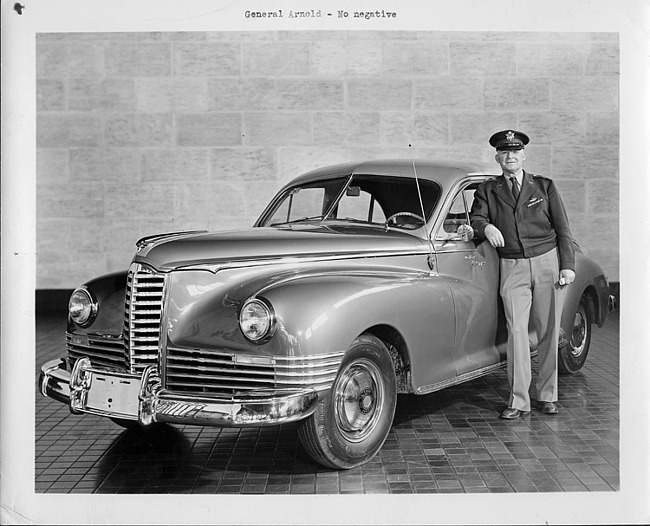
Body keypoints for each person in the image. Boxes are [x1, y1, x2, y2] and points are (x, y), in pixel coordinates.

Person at [470, 130, 576, 419]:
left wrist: (567, 265)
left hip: (547, 264)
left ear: (523, 155)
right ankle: (518, 400)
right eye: (504, 152)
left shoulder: (543, 186)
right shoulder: (488, 190)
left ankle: (548, 395)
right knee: (516, 332)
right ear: (497, 157)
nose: (510, 156)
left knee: (548, 330)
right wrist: (486, 228)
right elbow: (477, 217)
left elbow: (563, 229)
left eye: (515, 151)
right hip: (512, 266)